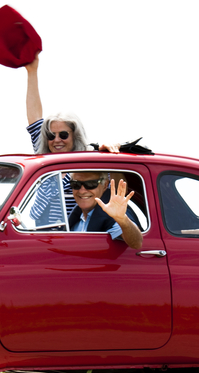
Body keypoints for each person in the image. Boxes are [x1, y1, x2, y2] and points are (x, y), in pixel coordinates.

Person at [24, 53, 120, 225]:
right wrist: (32, 71)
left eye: (63, 135)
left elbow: (113, 182)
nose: (56, 140)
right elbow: (34, 118)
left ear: (74, 136)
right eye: (51, 135)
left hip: (70, 234)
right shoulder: (45, 157)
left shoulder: (89, 161)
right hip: (38, 232)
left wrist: (112, 151)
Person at [68, 171, 143, 249]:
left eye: (90, 184)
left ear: (105, 185)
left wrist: (122, 220)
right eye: (76, 184)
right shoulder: (75, 217)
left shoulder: (111, 214)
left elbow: (136, 243)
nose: (82, 191)